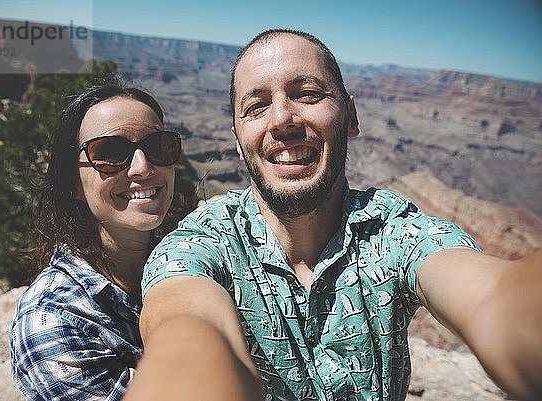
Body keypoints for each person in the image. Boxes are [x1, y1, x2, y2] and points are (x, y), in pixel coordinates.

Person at [123, 29, 542, 401]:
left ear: (351, 116)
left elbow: (491, 296)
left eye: (307, 94)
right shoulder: (200, 244)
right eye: (256, 106)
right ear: (237, 139)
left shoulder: (392, 231)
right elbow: (184, 329)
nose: (282, 119)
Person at [10, 81, 189, 400]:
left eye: (158, 146)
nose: (142, 167)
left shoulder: (196, 258)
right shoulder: (54, 322)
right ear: (72, 184)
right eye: (109, 152)